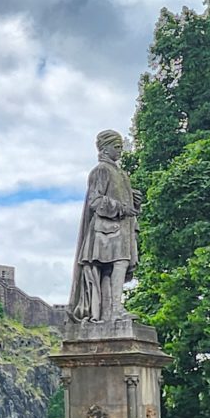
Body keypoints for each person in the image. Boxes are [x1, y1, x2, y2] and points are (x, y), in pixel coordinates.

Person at [67, 129, 141, 323]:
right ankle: (114, 310)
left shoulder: (121, 174)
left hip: (121, 229)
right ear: (105, 149)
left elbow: (124, 203)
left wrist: (135, 201)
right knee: (117, 264)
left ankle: (112, 310)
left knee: (116, 267)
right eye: (117, 147)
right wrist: (121, 208)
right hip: (106, 230)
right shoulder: (101, 170)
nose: (120, 151)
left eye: (121, 147)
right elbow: (95, 200)